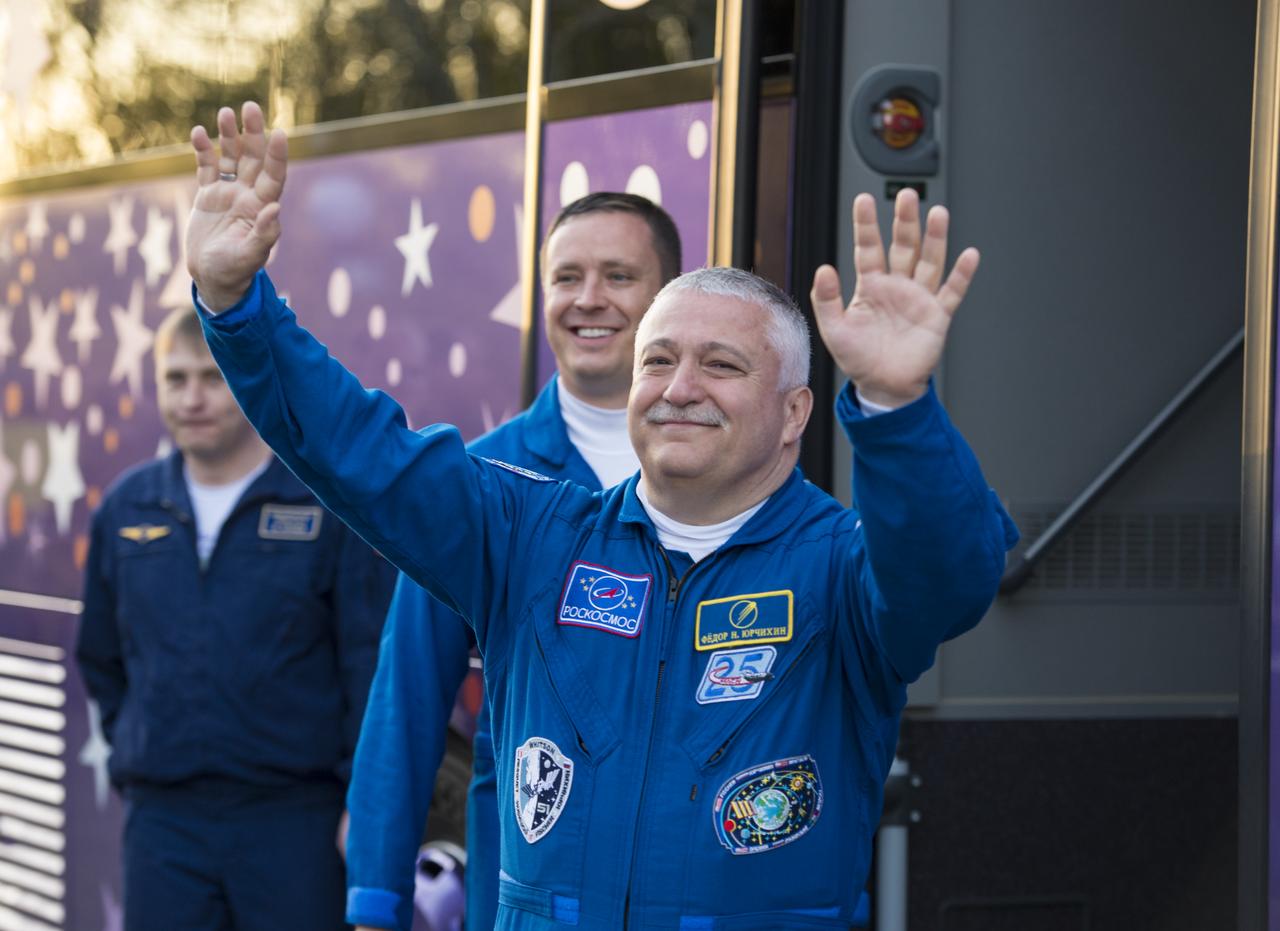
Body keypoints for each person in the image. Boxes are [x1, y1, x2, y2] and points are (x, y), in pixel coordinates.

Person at [186, 101, 1018, 930]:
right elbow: (358, 450)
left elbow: (950, 576)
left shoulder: (842, 570)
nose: (680, 386)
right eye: (659, 361)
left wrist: (897, 408)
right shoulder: (527, 535)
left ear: (795, 411)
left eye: (721, 364)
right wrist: (236, 306)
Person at [346, 191, 682, 931]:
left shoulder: (726, 469)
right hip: (529, 890)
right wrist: (376, 899)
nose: (587, 299)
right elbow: (407, 695)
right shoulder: (484, 482)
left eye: (619, 276)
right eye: (566, 277)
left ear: (669, 298)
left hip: (685, 883)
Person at [74, 303, 396, 931]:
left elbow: (367, 663)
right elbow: (102, 657)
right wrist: (138, 750)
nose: (193, 397)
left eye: (213, 377)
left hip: (294, 823)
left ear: (247, 377)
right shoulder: (126, 507)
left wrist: (363, 796)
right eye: (176, 378)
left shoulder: (322, 506)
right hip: (164, 825)